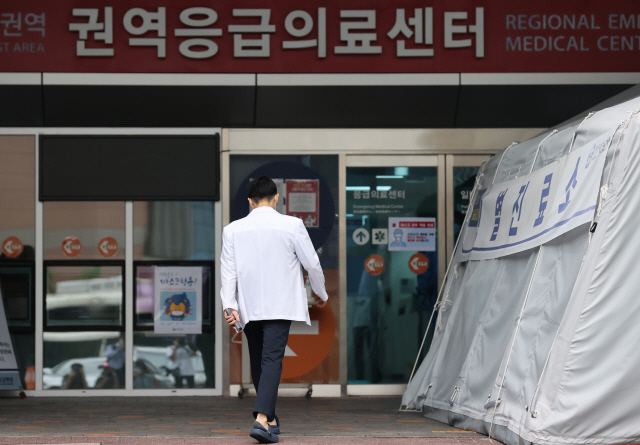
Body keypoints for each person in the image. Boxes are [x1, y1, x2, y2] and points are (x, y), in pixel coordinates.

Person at [221, 176, 329, 444]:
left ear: (249, 200)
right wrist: (321, 292)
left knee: (259, 360)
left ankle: (270, 419)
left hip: (248, 307)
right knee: (271, 360)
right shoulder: (291, 225)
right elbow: (312, 264)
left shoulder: (232, 230)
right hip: (280, 305)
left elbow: (228, 272)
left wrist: (229, 305)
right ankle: (261, 419)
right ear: (277, 198)